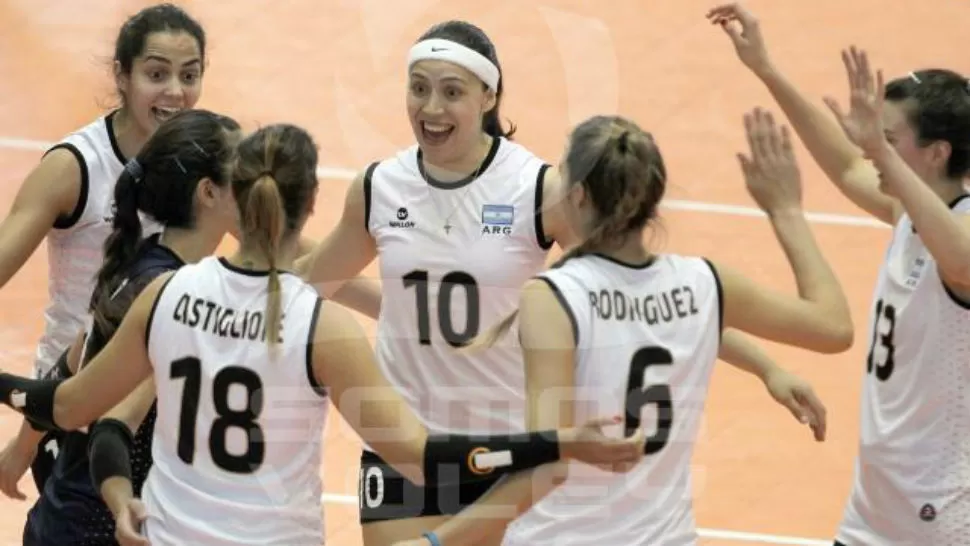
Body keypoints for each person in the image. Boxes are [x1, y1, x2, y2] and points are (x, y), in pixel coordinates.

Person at [300, 19, 824, 545]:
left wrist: (766, 367)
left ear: (488, 96)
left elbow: (632, 295)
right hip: (404, 441)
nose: (430, 109)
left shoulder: (537, 190)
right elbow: (311, 286)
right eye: (419, 88)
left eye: (451, 92)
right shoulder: (379, 188)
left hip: (506, 445)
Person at [0, 121, 647, 546]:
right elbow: (422, 459)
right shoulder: (320, 327)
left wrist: (118, 497)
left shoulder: (170, 296)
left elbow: (78, 412)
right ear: (311, 206)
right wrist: (554, 443)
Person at [398, 113, 849, 546]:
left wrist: (436, 541)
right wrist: (786, 210)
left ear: (576, 195)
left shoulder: (556, 297)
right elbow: (832, 327)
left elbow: (545, 465)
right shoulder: (703, 283)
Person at [710, 4, 970, 544]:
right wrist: (766, 68)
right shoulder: (909, 211)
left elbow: (961, 263)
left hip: (940, 515)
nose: (871, 144)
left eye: (889, 138)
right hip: (875, 504)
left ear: (937, 153)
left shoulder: (958, 234)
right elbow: (850, 166)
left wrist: (875, 150)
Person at [0, 3, 208, 499]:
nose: (176, 92)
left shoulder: (205, 158)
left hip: (164, 409)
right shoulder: (74, 167)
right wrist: (26, 441)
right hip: (74, 410)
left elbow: (289, 253)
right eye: (157, 74)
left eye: (189, 74)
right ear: (122, 74)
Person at [18, 108, 241, 546]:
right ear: (209, 192)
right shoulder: (172, 293)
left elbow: (76, 360)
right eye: (246, 167)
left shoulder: (140, 260)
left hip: (68, 513)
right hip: (106, 526)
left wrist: (23, 443)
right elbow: (91, 408)